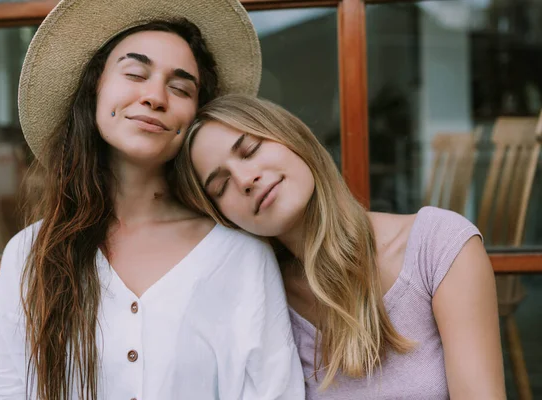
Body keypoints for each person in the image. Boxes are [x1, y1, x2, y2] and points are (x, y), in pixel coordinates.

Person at [0, 0, 305, 398]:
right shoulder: (31, 253)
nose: (155, 96)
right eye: (135, 73)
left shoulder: (241, 255)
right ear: (94, 90)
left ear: (194, 119)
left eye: (181, 88)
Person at [173, 94, 506, 399]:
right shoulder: (262, 299)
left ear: (292, 137)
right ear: (225, 217)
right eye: (222, 186)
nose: (245, 179)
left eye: (250, 149)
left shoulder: (437, 246)